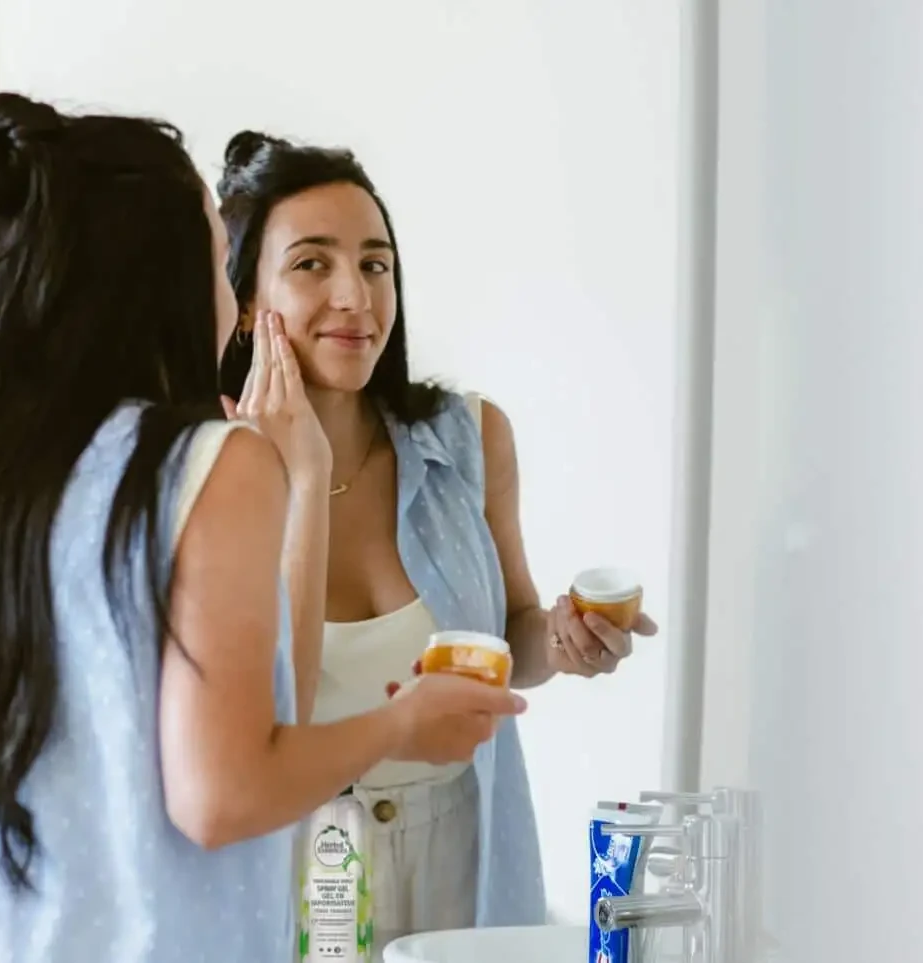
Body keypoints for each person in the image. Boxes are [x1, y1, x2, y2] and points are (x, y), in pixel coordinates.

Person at [0, 93, 528, 962]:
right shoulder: (201, 464)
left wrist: (297, 473)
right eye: (221, 248)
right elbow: (224, 791)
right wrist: (404, 723)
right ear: (157, 273)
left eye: (376, 264)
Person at [215, 131, 660, 950]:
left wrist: (561, 639)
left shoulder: (467, 439)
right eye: (312, 263)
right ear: (247, 300)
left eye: (376, 263)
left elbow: (510, 636)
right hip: (291, 870)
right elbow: (250, 707)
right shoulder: (208, 466)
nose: (355, 294)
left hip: (462, 848)